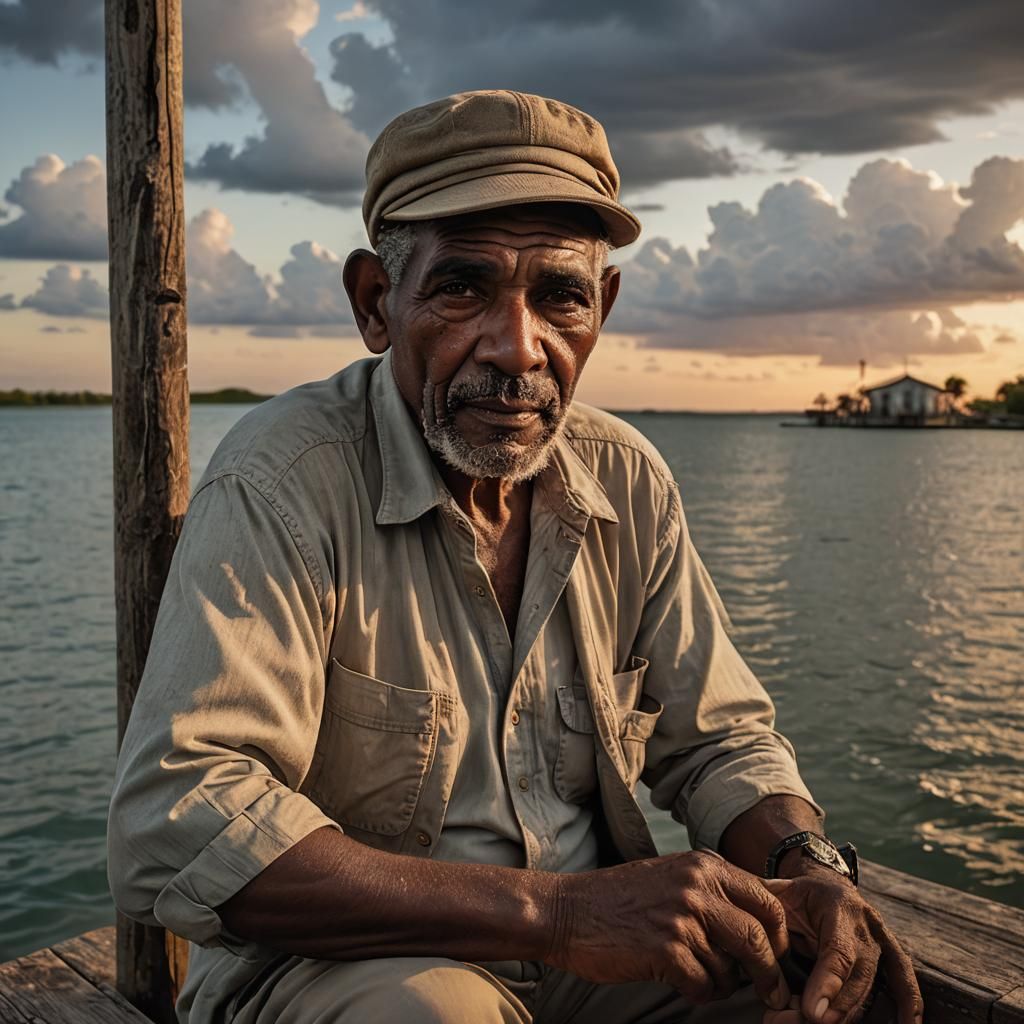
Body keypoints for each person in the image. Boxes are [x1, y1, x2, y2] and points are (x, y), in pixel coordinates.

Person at [107, 90, 922, 1024]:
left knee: (841, 990)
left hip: (594, 958)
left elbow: (720, 743)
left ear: (602, 308)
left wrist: (803, 865)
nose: (518, 347)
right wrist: (559, 912)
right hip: (337, 966)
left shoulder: (627, 479)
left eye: (560, 296)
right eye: (463, 287)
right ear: (378, 303)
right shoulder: (281, 482)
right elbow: (177, 820)